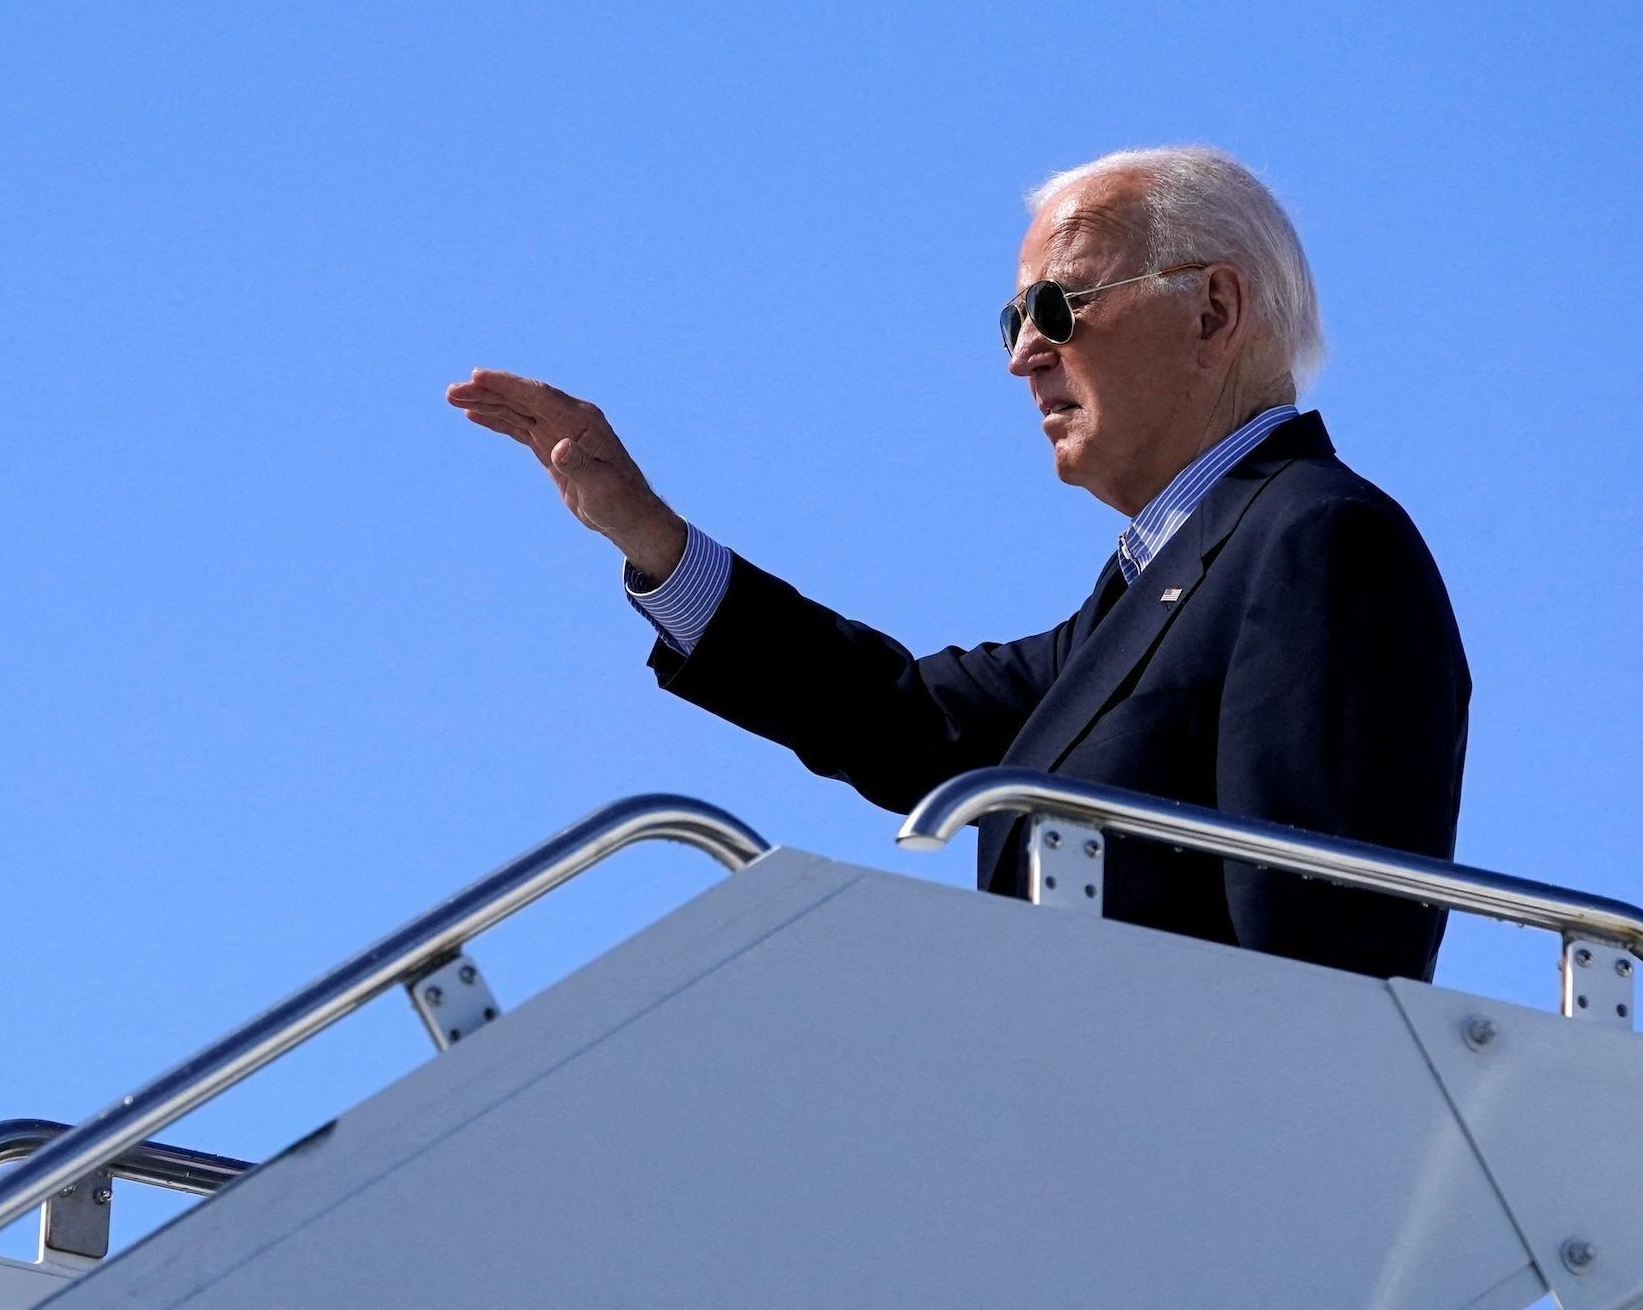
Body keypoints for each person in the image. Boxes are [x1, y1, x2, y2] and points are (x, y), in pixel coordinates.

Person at [445, 146, 1468, 982]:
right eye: (1014, 321)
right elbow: (901, 716)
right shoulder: (1152, 587)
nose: (1023, 356)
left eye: (1059, 308)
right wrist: (652, 539)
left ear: (1212, 311)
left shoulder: (1317, 540)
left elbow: (1320, 971)